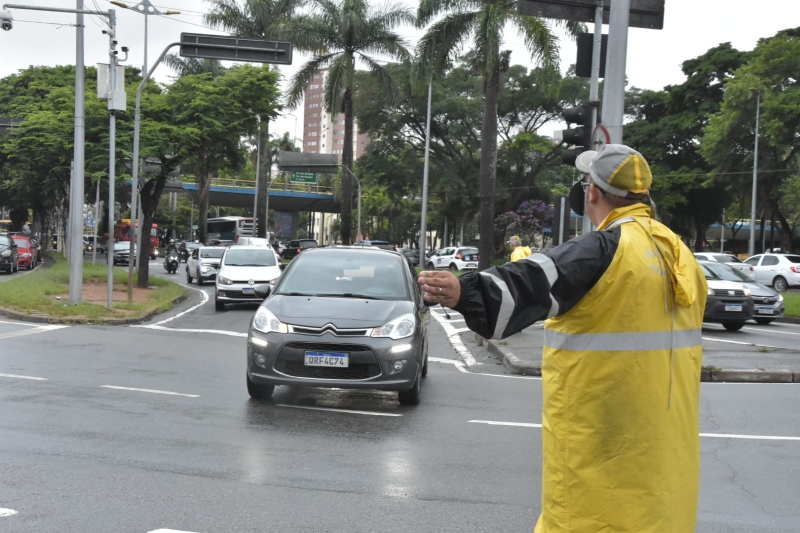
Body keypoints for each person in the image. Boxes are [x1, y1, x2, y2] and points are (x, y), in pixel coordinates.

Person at [419, 144, 707, 533]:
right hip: (666, 453)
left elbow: (529, 284)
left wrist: (463, 291)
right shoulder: (679, 255)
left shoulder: (603, 249)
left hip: (602, 445)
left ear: (592, 192)